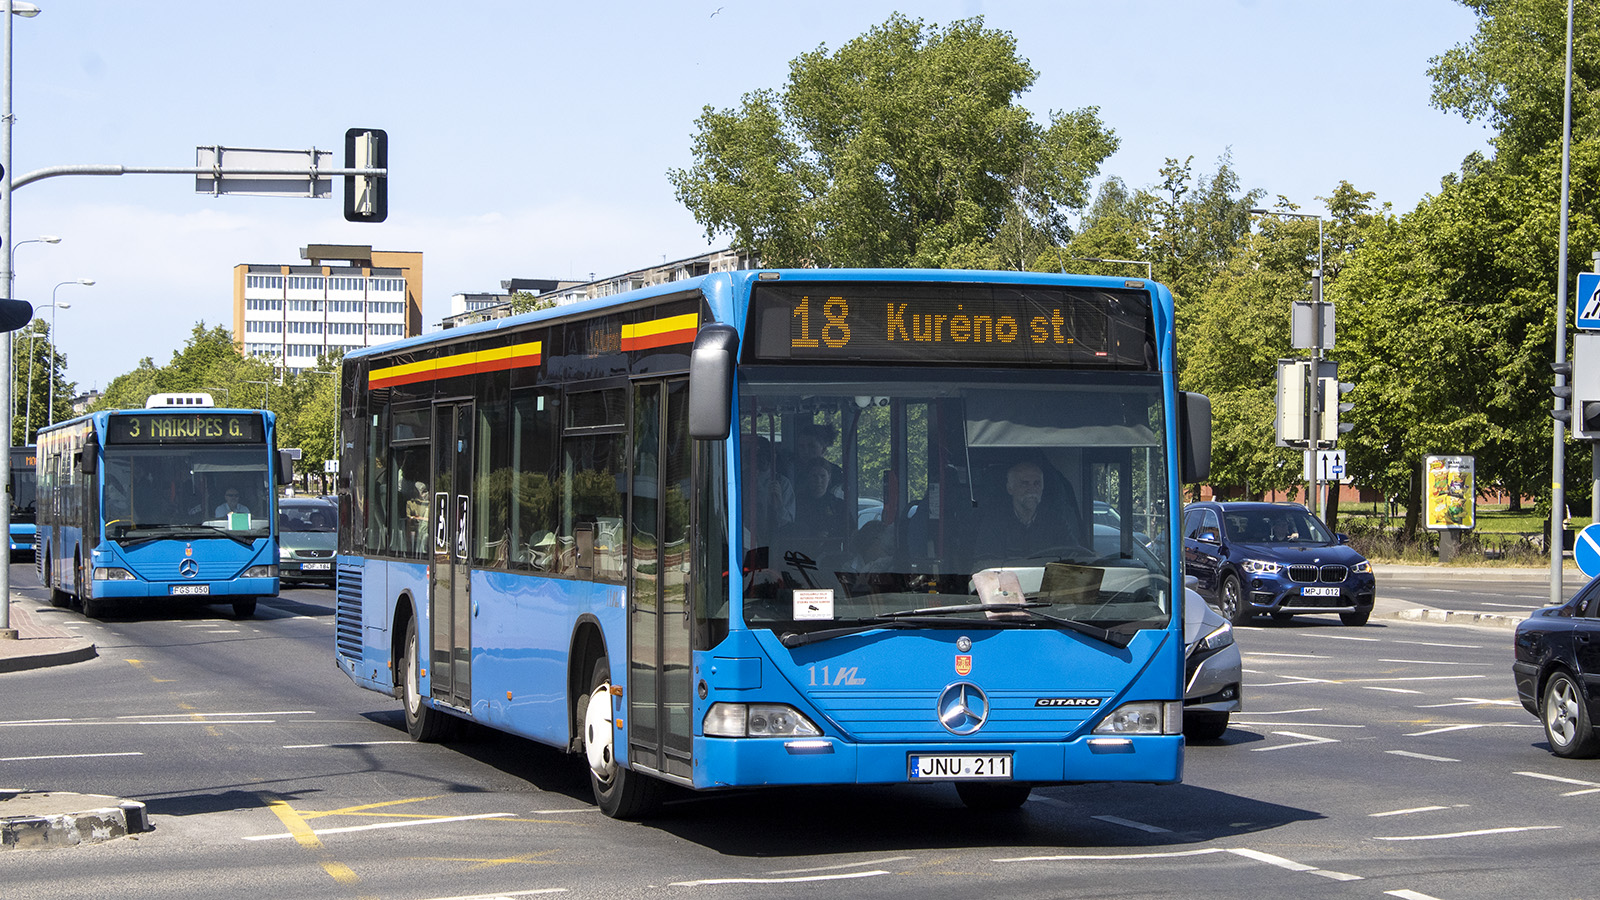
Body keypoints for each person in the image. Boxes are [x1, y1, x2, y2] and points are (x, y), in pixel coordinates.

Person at [972, 460, 1083, 561]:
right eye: (1025, 483)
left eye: (1037, 483)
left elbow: (1074, 555)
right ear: (1010, 488)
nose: (1032, 489)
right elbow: (985, 566)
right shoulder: (994, 522)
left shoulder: (1055, 521)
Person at [794, 457, 846, 536]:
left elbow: (850, 532)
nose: (819, 481)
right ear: (808, 477)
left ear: (829, 477)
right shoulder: (797, 503)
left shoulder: (838, 505)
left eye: (823, 476)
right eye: (814, 476)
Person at [795, 422, 845, 500]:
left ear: (823, 449)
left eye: (811, 446)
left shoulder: (836, 474)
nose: (805, 451)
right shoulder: (793, 471)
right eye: (801, 446)